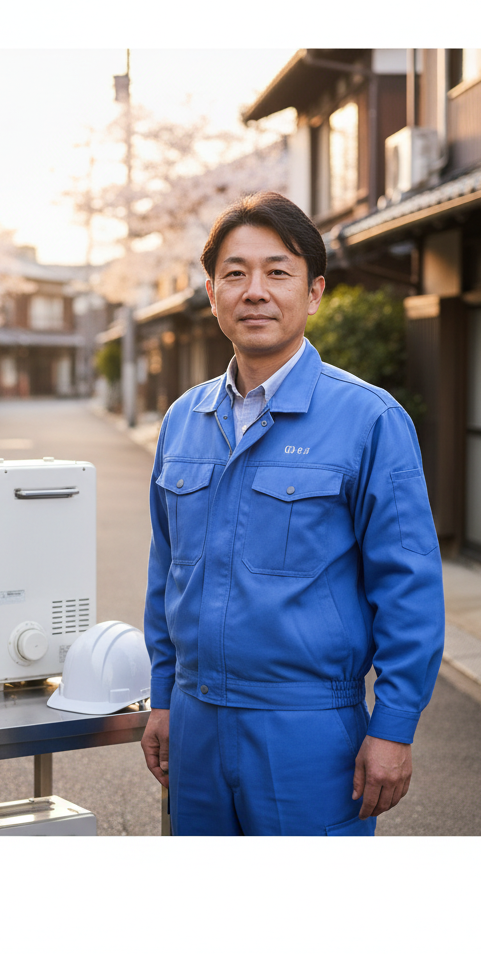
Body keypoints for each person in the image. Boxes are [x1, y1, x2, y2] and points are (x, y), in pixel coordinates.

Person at [140, 191, 445, 836]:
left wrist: (393, 728)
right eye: (235, 273)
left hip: (306, 725)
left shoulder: (369, 420)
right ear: (212, 291)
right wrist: (164, 697)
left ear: (313, 293)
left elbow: (409, 587)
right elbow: (166, 574)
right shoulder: (183, 421)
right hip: (194, 720)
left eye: (278, 272)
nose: (255, 291)